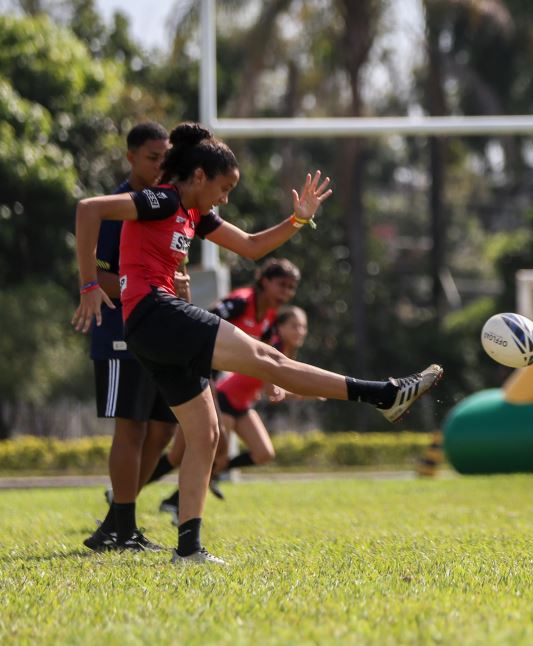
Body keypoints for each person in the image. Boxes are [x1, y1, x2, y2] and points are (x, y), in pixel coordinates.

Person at [73, 122, 443, 565]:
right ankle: (381, 393)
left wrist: (299, 219)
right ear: (197, 177)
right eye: (223, 188)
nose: (225, 199)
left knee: (206, 434)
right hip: (155, 315)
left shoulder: (195, 214)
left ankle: (188, 549)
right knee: (268, 358)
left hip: (152, 328)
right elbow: (88, 209)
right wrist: (89, 284)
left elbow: (250, 247)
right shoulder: (162, 199)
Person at [83, 122, 188, 553]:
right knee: (132, 429)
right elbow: (100, 274)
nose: (161, 165)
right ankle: (122, 525)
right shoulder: (120, 206)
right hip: (121, 332)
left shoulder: (163, 205)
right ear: (130, 157)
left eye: (166, 157)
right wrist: (146, 287)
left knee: (162, 430)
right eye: (152, 157)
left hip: (156, 332)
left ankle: (116, 518)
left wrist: (171, 284)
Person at [145, 256, 302, 507]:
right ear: (264, 281)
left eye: (291, 287)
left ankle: (136, 496)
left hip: (212, 381)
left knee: (179, 455)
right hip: (198, 375)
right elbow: (202, 326)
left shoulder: (270, 318)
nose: (287, 292)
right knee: (214, 447)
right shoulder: (240, 302)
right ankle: (162, 502)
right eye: (282, 285)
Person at [152, 305, 316, 522]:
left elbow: (271, 390)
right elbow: (274, 392)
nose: (300, 331)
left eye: (303, 326)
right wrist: (313, 392)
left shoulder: (285, 350)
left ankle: (204, 482)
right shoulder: (273, 345)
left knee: (264, 452)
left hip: (243, 405)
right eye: (294, 326)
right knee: (199, 457)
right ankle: (172, 504)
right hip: (226, 400)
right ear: (281, 327)